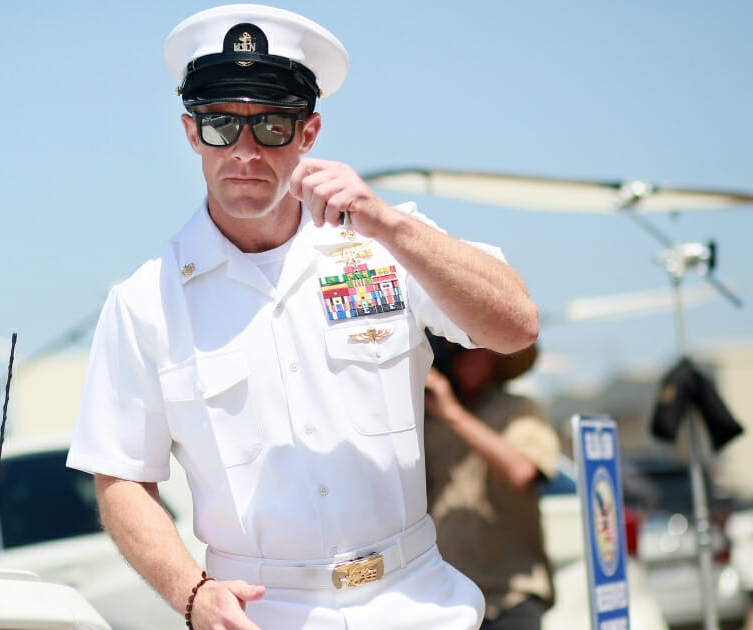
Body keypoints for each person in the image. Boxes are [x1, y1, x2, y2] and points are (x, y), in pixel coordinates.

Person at [65, 5, 540, 630]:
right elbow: (122, 478)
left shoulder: (386, 244)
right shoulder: (144, 301)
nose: (243, 151)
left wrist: (390, 224)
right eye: (219, 126)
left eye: (270, 127)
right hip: (262, 614)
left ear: (308, 134)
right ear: (190, 132)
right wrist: (192, 593)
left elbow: (516, 326)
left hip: (416, 603)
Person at [423, 334, 559, 630]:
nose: (465, 356)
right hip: (449, 599)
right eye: (456, 349)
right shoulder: (427, 420)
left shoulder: (520, 411)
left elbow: (521, 471)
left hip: (510, 597)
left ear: (495, 354)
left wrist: (454, 415)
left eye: (474, 346)